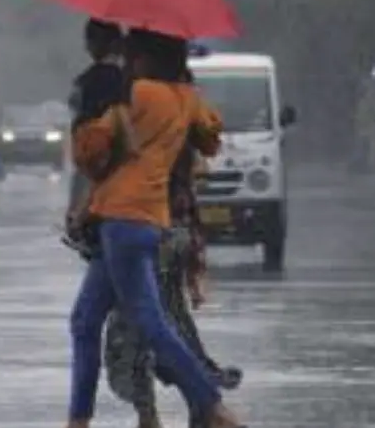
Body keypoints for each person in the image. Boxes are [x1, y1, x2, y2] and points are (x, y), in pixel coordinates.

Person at [66, 28, 246, 428]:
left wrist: (87, 114)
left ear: (145, 57)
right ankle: (77, 420)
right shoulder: (185, 98)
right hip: (146, 220)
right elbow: (211, 138)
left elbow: (91, 150)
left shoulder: (135, 94)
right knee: (85, 320)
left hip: (121, 220)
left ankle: (212, 406)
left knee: (151, 321)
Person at [104, 121, 243, 428]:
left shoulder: (142, 140)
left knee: (143, 332)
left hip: (150, 238)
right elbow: (190, 202)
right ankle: (193, 409)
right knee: (165, 327)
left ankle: (201, 410)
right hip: (163, 240)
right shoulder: (175, 133)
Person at [66, 18, 137, 239]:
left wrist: (75, 209)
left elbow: (88, 155)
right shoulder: (134, 80)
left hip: (101, 184)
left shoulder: (91, 82)